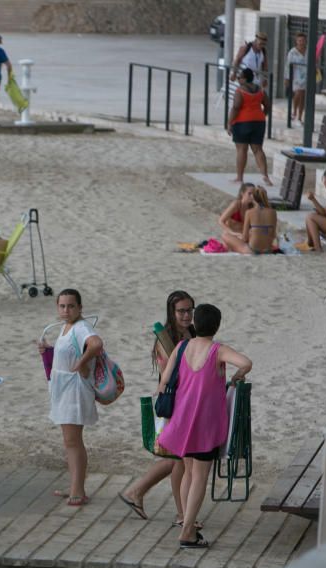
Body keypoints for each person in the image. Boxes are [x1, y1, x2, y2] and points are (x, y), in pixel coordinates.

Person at [157, 304, 252, 549]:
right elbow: (246, 362)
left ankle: (189, 520)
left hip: (182, 420)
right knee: (200, 476)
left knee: (189, 472)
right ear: (217, 326)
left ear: (194, 324)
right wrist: (237, 376)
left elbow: (165, 379)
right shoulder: (218, 350)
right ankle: (188, 531)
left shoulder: (181, 346)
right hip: (205, 425)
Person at [118, 291, 195, 526]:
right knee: (178, 460)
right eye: (181, 311)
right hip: (173, 403)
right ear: (172, 312)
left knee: (177, 459)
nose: (186, 315)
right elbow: (174, 371)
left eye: (190, 310)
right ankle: (182, 514)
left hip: (186, 401)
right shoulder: (166, 337)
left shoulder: (191, 332)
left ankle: (136, 492)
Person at [38, 289, 102, 506]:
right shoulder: (67, 327)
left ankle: (78, 491)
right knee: (71, 442)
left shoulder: (81, 327)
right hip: (64, 389)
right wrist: (49, 350)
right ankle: (76, 486)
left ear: (80, 307)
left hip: (74, 390)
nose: (66, 310)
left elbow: (96, 344)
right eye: (62, 306)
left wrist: (82, 362)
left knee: (73, 441)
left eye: (71, 306)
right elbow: (68, 352)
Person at [227, 68, 272, 186]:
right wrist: (262, 115)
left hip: (242, 122)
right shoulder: (260, 90)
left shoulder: (240, 91)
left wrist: (229, 122)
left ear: (244, 79)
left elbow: (236, 107)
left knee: (242, 149)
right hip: (259, 122)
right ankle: (265, 175)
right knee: (258, 149)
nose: (238, 80)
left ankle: (239, 177)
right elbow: (267, 105)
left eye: (239, 77)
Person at [224, 187, 278, 255]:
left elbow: (244, 238)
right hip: (268, 250)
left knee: (225, 235)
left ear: (253, 198)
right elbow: (273, 235)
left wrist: (238, 236)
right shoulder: (273, 212)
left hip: (253, 250)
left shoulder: (249, 212)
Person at [285, 33, 307, 122]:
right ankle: (294, 112)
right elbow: (288, 65)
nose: (301, 43)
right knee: (298, 92)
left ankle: (300, 117)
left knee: (303, 97)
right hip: (296, 76)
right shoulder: (292, 52)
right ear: (296, 41)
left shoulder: (309, 51)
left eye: (303, 40)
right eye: (299, 40)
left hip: (306, 76)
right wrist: (287, 78)